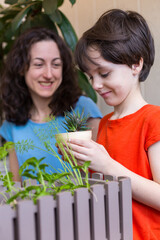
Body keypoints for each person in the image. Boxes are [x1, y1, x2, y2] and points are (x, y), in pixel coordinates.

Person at [61, 9, 160, 240]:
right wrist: (79, 161)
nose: (95, 84)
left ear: (136, 64)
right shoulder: (104, 124)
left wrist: (107, 165)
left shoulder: (153, 119)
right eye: (89, 76)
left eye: (104, 73)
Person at [0, 27, 102, 182]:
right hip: (32, 206)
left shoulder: (83, 109)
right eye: (39, 64)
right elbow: (16, 186)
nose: (48, 74)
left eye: (56, 64)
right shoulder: (12, 123)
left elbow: (103, 173)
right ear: (21, 68)